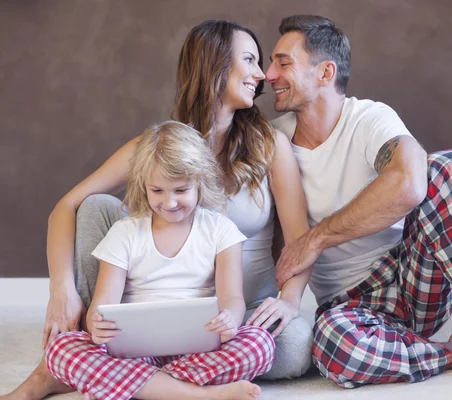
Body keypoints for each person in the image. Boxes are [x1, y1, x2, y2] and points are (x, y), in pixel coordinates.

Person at [1, 20, 312, 400]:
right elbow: (65, 206)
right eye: (249, 60)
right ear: (213, 64)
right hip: (149, 310)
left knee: (294, 347)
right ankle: (128, 368)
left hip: (236, 315)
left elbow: (299, 239)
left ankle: (118, 376)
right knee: (96, 206)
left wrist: (290, 300)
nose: (261, 74)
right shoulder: (156, 147)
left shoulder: (270, 145)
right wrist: (61, 288)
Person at [267, 15, 452, 393]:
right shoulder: (272, 140)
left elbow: (409, 182)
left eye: (283, 63)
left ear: (325, 73)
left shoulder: (370, 118)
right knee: (333, 347)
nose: (269, 74)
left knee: (450, 167)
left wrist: (316, 239)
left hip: (413, 276)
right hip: (349, 309)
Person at [45, 120, 274, 400]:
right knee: (61, 350)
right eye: (158, 191)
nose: (170, 202)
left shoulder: (220, 230)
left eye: (181, 190)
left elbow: (232, 298)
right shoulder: (125, 232)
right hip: (137, 352)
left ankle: (136, 388)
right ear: (144, 186)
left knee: (260, 344)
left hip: (200, 349)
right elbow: (103, 305)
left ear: (199, 183)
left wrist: (231, 318)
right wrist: (96, 324)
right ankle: (201, 395)